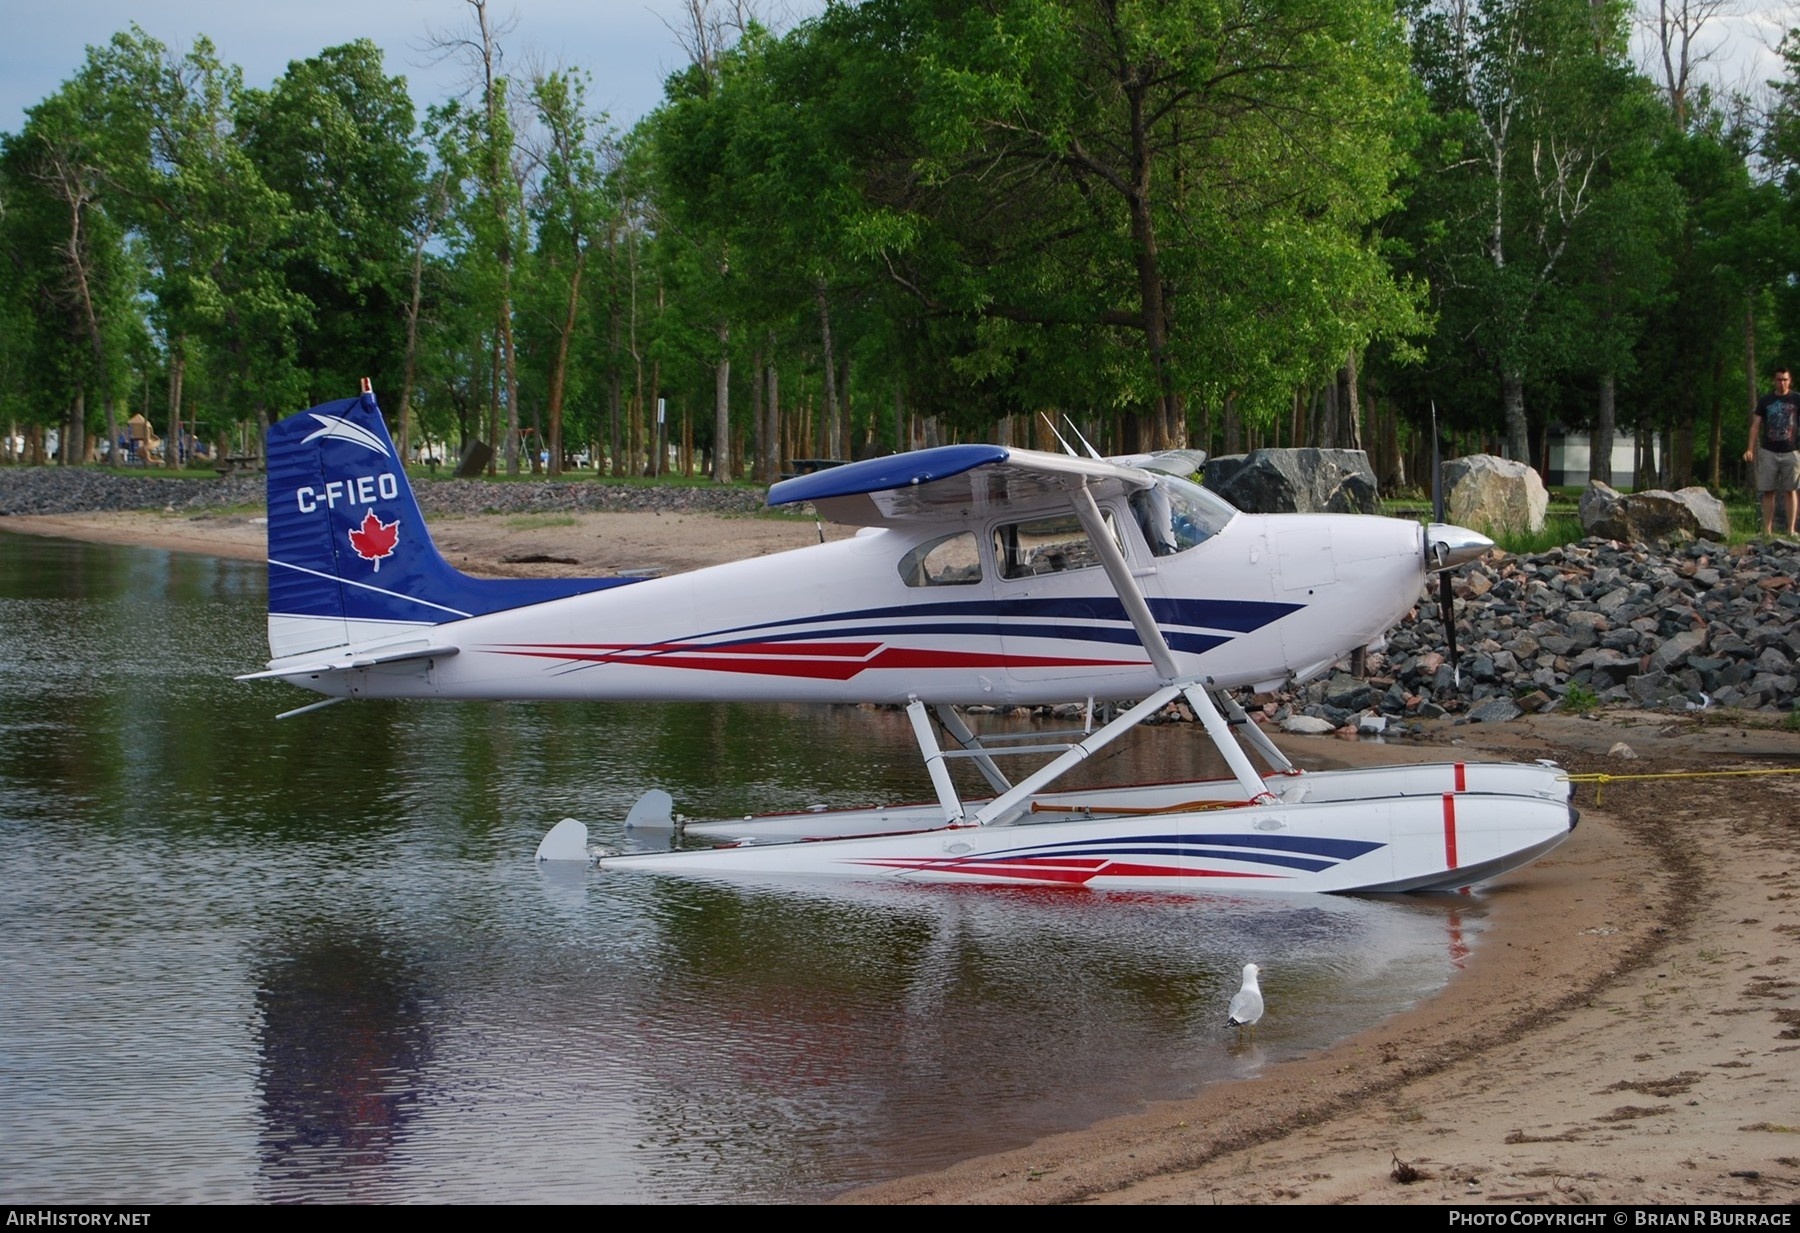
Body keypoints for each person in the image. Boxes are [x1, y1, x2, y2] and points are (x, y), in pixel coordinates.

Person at [1745, 364, 1800, 537]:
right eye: (1779, 380)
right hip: (1768, 451)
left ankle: (1790, 530)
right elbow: (1755, 426)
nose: (1782, 383)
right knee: (1768, 490)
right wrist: (1750, 449)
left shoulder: (1797, 399)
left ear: (1790, 381)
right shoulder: (1765, 401)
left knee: (1791, 490)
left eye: (1785, 380)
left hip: (1792, 451)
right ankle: (1767, 531)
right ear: (1774, 381)